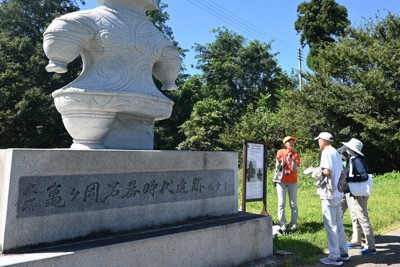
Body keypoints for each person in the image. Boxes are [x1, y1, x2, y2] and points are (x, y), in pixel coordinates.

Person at [311, 132, 350, 265]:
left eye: (319, 140)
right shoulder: (336, 152)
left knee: (330, 224)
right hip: (338, 193)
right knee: (339, 224)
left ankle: (334, 256)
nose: (318, 142)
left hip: (329, 193)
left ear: (324, 140)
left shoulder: (326, 152)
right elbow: (343, 173)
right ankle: (343, 252)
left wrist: (316, 172)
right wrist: (340, 184)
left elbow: (327, 171)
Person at [342, 138, 376, 255]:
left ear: (352, 149)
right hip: (357, 193)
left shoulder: (357, 160)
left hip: (359, 194)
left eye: (348, 148)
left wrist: (349, 179)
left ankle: (371, 247)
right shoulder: (356, 159)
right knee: (358, 216)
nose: (346, 149)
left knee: (363, 218)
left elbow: (364, 176)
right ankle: (357, 241)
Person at [273, 136, 300, 231]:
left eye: (293, 142)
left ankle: (294, 223)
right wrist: (279, 162)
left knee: (293, 203)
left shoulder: (296, 154)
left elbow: (294, 169)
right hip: (281, 181)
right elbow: (278, 167)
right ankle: (282, 223)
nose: (292, 144)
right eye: (290, 142)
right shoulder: (280, 152)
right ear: (285, 144)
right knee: (281, 203)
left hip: (292, 181)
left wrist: (293, 161)